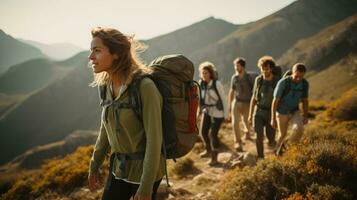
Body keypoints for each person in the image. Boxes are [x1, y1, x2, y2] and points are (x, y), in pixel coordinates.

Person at [87, 27, 165, 200]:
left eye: (97, 51)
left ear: (116, 54)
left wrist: (146, 187)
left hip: (145, 173)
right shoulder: (106, 87)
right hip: (119, 169)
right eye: (91, 51)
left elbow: (155, 140)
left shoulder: (145, 87)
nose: (91, 57)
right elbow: (105, 130)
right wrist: (94, 165)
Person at [271, 63, 309, 156]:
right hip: (281, 112)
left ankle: (287, 147)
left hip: (294, 111)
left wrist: (305, 115)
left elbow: (305, 101)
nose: (298, 79)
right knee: (282, 135)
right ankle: (277, 152)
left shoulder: (304, 84)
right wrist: (273, 118)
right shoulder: (283, 82)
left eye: (301, 77)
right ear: (293, 72)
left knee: (299, 129)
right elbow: (275, 101)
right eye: (296, 76)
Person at [198, 61, 229, 166]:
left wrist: (226, 115)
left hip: (218, 112)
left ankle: (214, 158)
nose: (204, 75)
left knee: (213, 135)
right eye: (202, 73)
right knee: (203, 132)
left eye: (206, 73)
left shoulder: (217, 84)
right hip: (206, 111)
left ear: (210, 73)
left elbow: (224, 99)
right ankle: (208, 150)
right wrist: (199, 111)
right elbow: (200, 100)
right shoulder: (201, 84)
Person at [248, 56, 278, 159]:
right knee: (258, 136)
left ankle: (275, 149)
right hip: (259, 112)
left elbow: (279, 99)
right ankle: (260, 157)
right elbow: (254, 98)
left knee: (271, 137)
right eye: (262, 69)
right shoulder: (258, 80)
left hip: (271, 113)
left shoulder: (276, 81)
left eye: (267, 69)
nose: (264, 71)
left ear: (271, 68)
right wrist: (250, 115)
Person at [228, 57, 254, 152]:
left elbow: (253, 91)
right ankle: (238, 142)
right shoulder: (234, 78)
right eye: (235, 66)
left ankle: (247, 132)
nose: (236, 68)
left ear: (242, 66)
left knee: (246, 121)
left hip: (247, 103)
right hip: (237, 102)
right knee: (235, 123)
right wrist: (230, 105)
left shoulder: (249, 78)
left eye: (237, 66)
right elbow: (232, 91)